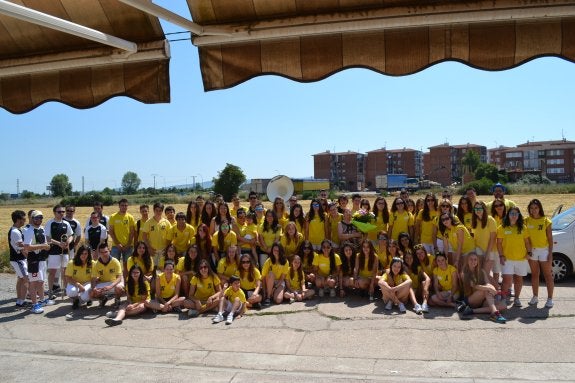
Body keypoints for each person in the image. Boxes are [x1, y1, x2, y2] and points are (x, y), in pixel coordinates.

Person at [459, 253, 507, 323]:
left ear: (477, 261)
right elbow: (475, 286)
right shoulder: (464, 273)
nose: (473, 261)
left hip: (483, 299)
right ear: (467, 261)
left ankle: (472, 311)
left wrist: (491, 288)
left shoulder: (482, 271)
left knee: (503, 306)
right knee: (485, 290)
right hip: (471, 300)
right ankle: (494, 313)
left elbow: (488, 283)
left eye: (475, 259)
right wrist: (489, 288)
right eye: (471, 259)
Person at [497, 207, 530, 307]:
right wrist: (501, 256)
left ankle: (517, 299)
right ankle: (503, 298)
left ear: (519, 215)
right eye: (512, 213)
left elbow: (527, 242)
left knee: (518, 279)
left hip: (521, 259)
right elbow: (498, 244)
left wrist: (529, 253)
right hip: (507, 259)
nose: (514, 215)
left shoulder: (523, 227)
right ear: (508, 215)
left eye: (516, 213)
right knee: (507, 279)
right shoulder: (502, 227)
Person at [23, 210, 54, 313]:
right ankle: (34, 305)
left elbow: (44, 242)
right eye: (36, 218)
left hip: (41, 259)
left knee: (41, 281)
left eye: (41, 217)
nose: (39, 220)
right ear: (31, 218)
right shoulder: (28, 230)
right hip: (33, 260)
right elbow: (27, 247)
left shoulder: (41, 228)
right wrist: (43, 246)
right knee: (33, 283)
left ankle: (42, 300)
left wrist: (47, 246)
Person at [525, 199, 554, 308]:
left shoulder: (546, 221)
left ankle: (550, 298)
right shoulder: (526, 221)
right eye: (532, 208)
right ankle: (535, 296)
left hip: (544, 251)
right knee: (534, 275)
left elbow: (550, 239)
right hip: (532, 251)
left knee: (547, 275)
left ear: (540, 208)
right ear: (529, 209)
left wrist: (550, 253)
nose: (534, 210)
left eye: (536, 208)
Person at [44, 205, 74, 298]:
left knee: (65, 271)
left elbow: (71, 235)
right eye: (59, 212)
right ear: (54, 212)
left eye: (62, 212)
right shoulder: (50, 223)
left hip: (64, 251)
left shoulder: (66, 223)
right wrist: (59, 243)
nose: (61, 213)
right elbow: (47, 237)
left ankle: (66, 290)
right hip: (53, 251)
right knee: (52, 271)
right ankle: (50, 291)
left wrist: (68, 242)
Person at [472, 201, 500, 291]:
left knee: (485, 273)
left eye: (480, 208)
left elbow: (493, 238)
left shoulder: (490, 219)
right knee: (480, 272)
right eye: (476, 208)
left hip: (490, 249)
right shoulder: (475, 221)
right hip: (479, 249)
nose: (478, 210)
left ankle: (498, 290)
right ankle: (486, 291)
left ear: (484, 209)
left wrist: (487, 253)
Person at [90, 243, 124, 309]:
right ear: (99, 253)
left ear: (109, 251)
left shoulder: (115, 261)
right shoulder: (96, 264)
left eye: (106, 252)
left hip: (114, 283)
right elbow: (93, 279)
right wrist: (94, 288)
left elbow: (119, 278)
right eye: (102, 252)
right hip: (104, 284)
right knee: (91, 293)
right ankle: (103, 299)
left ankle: (117, 299)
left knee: (119, 288)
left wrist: (110, 286)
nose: (104, 254)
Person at [108, 198, 136, 276]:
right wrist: (117, 243)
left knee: (127, 265)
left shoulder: (130, 217)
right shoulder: (113, 216)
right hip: (115, 246)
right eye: (122, 205)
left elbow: (132, 232)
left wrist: (128, 244)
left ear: (127, 206)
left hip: (128, 246)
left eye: (125, 205)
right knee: (114, 264)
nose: (124, 207)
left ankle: (126, 281)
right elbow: (111, 231)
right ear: (119, 206)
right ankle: (114, 281)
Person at [65, 244, 95, 309]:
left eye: (85, 253)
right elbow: (68, 278)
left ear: (88, 254)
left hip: (87, 283)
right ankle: (76, 300)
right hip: (75, 283)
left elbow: (93, 278)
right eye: (81, 253)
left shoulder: (92, 263)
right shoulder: (71, 263)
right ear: (78, 253)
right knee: (71, 292)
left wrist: (92, 289)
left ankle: (88, 299)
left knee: (85, 297)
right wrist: (78, 285)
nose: (83, 255)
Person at [9, 210, 28, 307]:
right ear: (18, 220)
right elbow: (22, 249)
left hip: (18, 259)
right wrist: (29, 258)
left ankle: (19, 300)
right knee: (26, 279)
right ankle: (22, 300)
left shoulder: (16, 230)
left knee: (21, 279)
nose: (25, 221)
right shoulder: (15, 232)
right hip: (18, 259)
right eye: (24, 219)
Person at [142, 202, 171, 266]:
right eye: (156, 210)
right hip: (153, 250)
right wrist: (149, 248)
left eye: (160, 211)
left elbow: (170, 237)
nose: (158, 212)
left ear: (162, 211)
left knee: (163, 268)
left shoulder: (166, 222)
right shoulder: (148, 222)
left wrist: (167, 248)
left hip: (163, 250)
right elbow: (144, 236)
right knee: (153, 268)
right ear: (153, 210)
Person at [403, 250, 430, 314]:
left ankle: (425, 304)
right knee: (409, 285)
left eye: (411, 257)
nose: (409, 259)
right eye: (407, 257)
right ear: (404, 258)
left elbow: (428, 278)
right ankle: (416, 305)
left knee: (424, 283)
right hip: (407, 292)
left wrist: (425, 288)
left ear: (413, 258)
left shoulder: (418, 267)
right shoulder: (402, 267)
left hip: (417, 291)